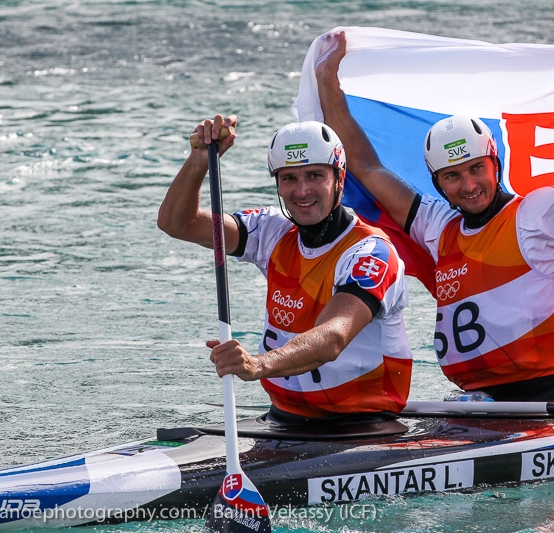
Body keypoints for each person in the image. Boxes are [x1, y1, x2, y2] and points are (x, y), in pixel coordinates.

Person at [315, 31, 554, 402]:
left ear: (495, 163)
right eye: (452, 176)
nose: (468, 185)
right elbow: (365, 166)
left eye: (477, 168)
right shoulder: (436, 225)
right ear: (437, 182)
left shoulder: (543, 212)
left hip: (542, 402)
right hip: (472, 404)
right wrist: (328, 79)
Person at [157, 116, 413, 421]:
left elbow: (332, 338)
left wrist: (257, 364)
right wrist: (200, 161)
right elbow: (177, 224)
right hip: (284, 420)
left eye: (315, 175)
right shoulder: (271, 230)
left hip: (362, 426)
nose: (301, 190)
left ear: (340, 179)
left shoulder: (372, 252)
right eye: (289, 178)